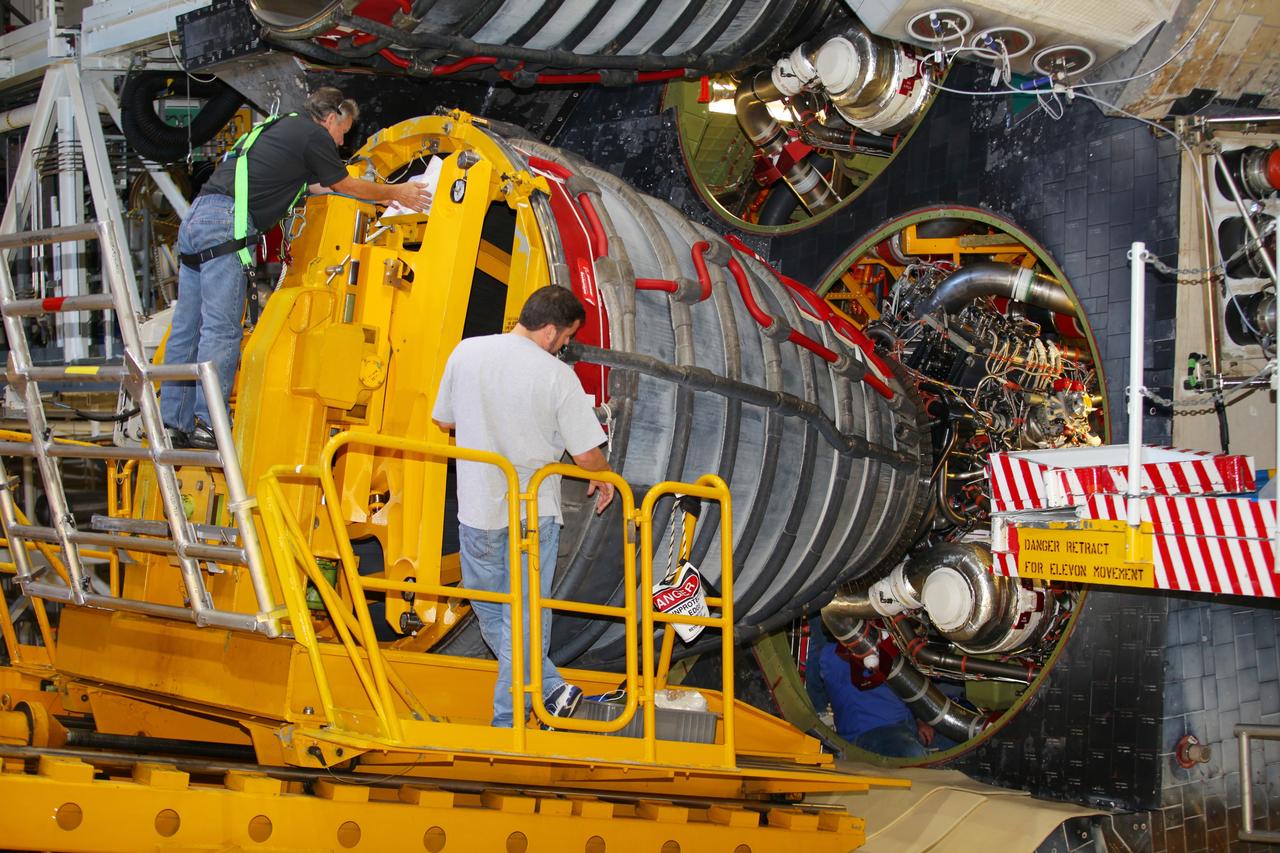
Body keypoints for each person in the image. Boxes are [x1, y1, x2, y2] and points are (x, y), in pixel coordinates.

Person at [161, 87, 431, 449]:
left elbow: (319, 186)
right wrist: (397, 193)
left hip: (197, 219)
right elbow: (342, 182)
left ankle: (171, 423)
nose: (340, 142)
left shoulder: (280, 128)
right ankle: (209, 423)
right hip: (226, 224)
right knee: (222, 330)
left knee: (187, 327)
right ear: (331, 117)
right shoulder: (312, 134)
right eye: (343, 132)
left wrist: (353, 189)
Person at [432, 286, 616, 728]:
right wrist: (605, 479)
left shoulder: (467, 352)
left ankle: (547, 689)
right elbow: (587, 454)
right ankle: (514, 715)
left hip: (476, 510)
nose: (566, 345)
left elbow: (444, 419)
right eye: (567, 337)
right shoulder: (556, 376)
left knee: (493, 610)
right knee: (526, 617)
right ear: (551, 330)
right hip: (531, 515)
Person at [818, 640, 935, 758]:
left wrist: (920, 719)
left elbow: (905, 685)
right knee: (913, 753)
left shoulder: (880, 644)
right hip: (872, 732)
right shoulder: (832, 655)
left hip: (908, 727)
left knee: (949, 742)